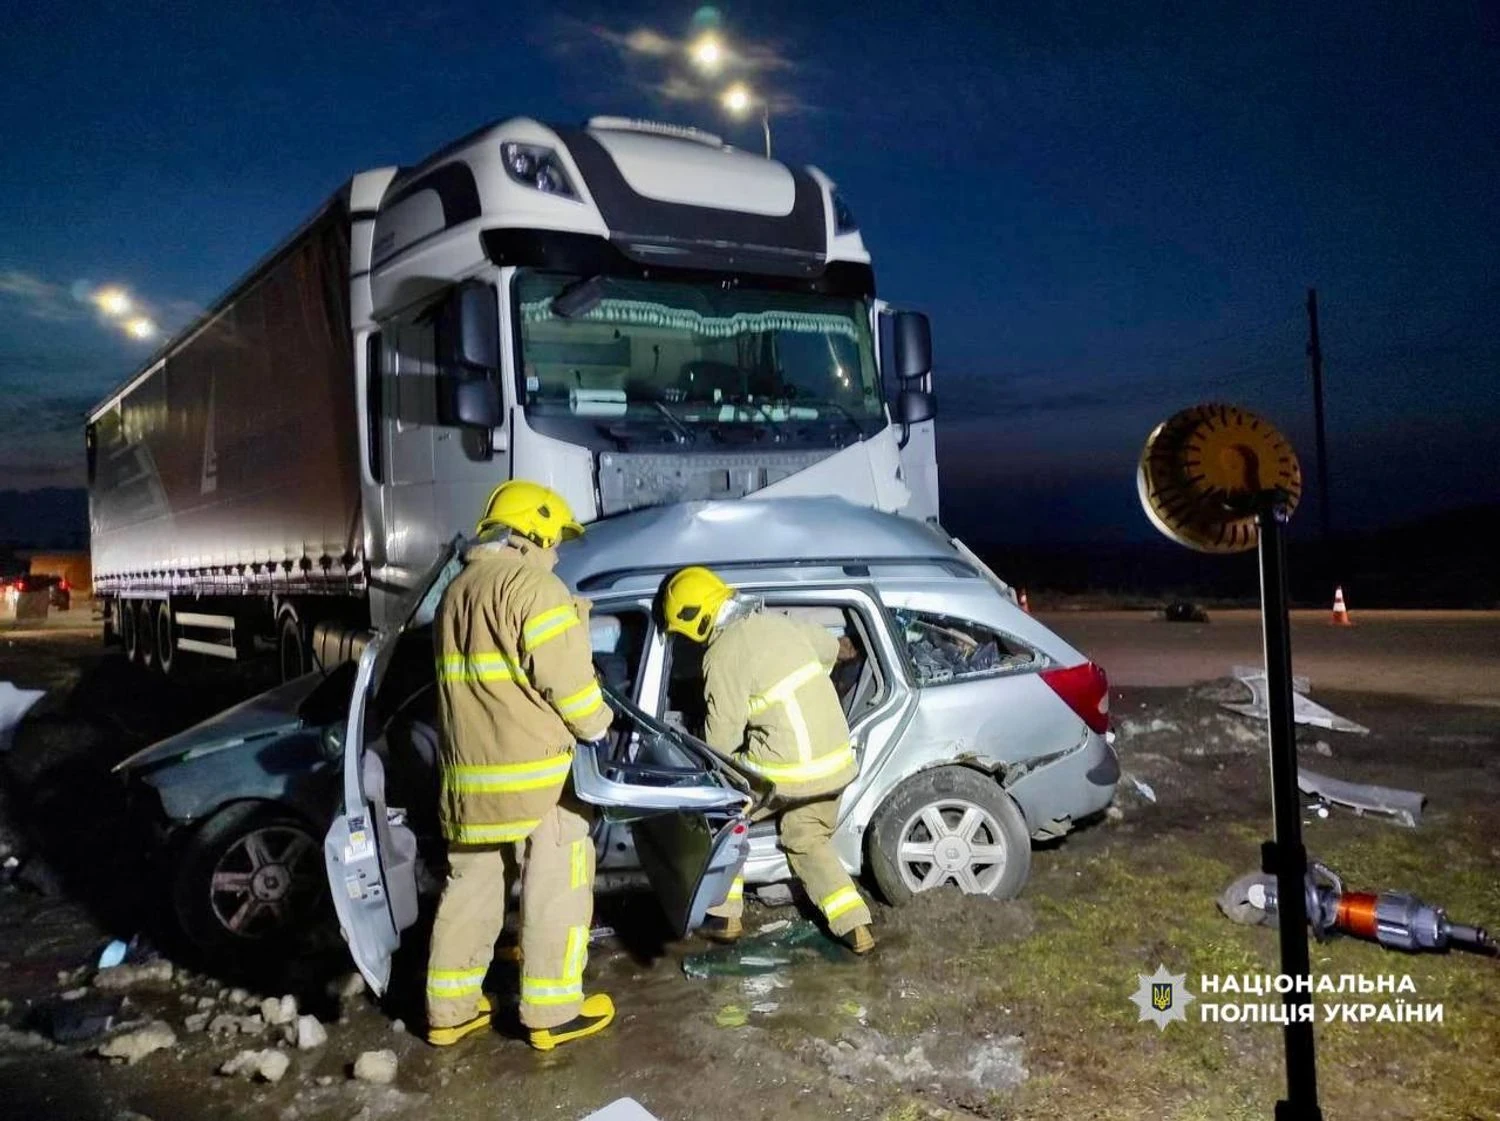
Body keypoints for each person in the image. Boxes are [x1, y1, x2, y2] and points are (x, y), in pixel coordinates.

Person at [425, 480, 615, 1050]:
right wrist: (602, 728)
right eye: (555, 541)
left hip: (468, 784)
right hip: (539, 781)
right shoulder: (532, 585)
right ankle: (552, 1015)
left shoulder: (458, 590)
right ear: (534, 532)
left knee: (471, 890)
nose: (557, 553)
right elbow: (572, 689)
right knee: (558, 887)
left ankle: (448, 1011)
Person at [660, 565, 875, 954]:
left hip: (787, 773)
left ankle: (726, 916)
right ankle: (855, 924)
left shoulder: (722, 654)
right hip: (837, 763)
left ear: (695, 620)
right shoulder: (780, 623)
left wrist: (708, 777)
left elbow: (722, 738)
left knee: (727, 818)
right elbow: (830, 650)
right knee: (806, 837)